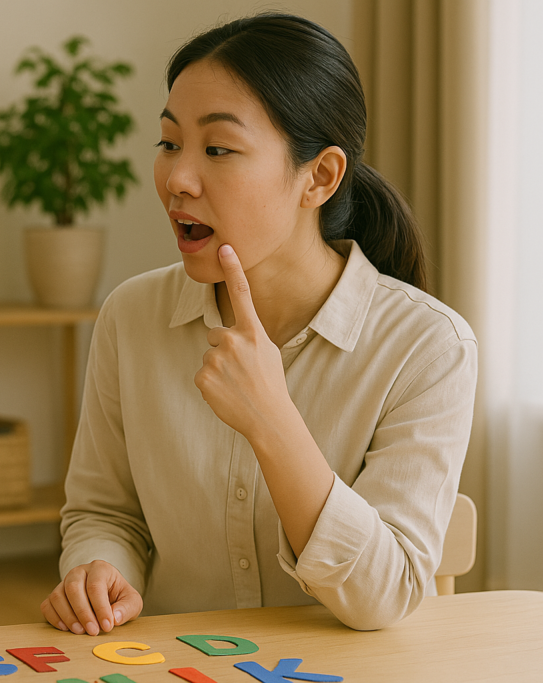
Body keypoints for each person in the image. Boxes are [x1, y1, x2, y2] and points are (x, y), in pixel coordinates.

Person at [41, 13, 477, 635]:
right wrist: (99, 569)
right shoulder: (130, 316)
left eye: (218, 149)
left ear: (319, 177)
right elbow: (106, 512)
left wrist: (272, 420)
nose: (177, 180)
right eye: (169, 143)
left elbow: (387, 594)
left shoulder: (429, 347)